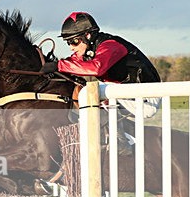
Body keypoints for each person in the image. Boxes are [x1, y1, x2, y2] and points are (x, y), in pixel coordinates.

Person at [40, 12, 161, 155]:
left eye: (74, 41)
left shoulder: (110, 45)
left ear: (88, 35)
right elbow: (71, 63)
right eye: (68, 42)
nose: (71, 47)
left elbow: (96, 68)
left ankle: (120, 141)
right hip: (128, 93)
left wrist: (59, 66)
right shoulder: (89, 49)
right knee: (84, 90)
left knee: (88, 91)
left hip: (147, 98)